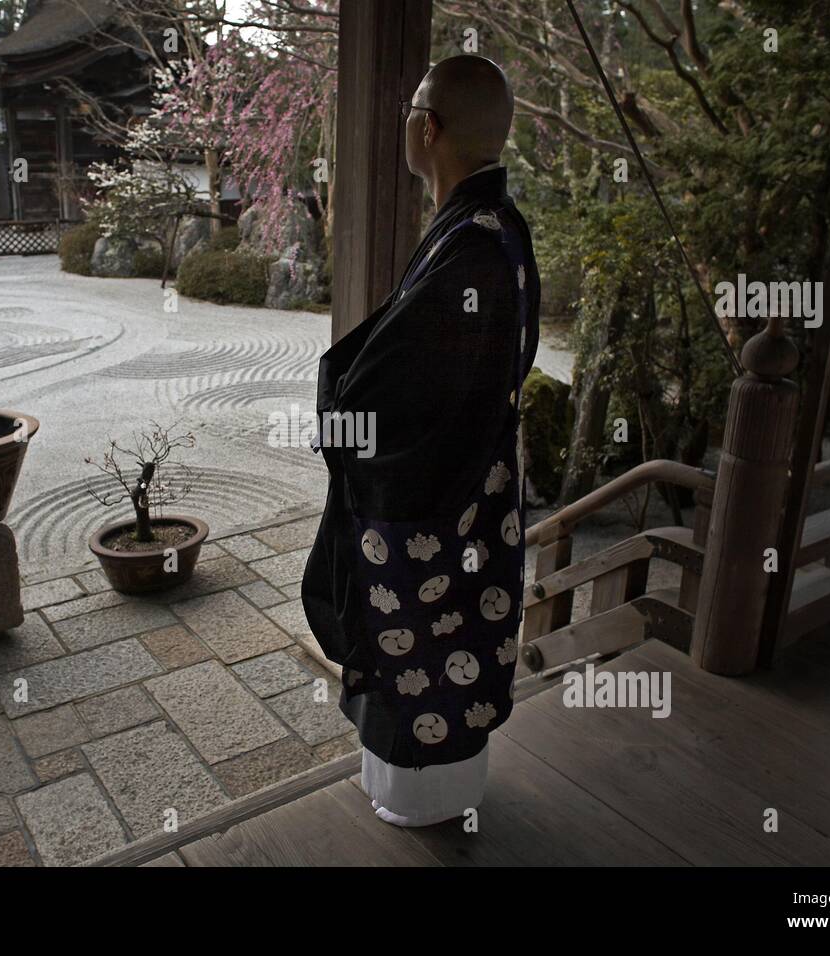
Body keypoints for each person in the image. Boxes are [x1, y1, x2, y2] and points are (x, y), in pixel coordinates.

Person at [301, 54, 541, 827]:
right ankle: (427, 795)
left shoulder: (469, 248)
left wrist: (337, 407)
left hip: (432, 509)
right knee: (456, 642)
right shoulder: (497, 228)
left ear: (427, 128)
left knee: (420, 651)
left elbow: (385, 395)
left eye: (410, 110)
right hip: (476, 493)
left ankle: (419, 805)